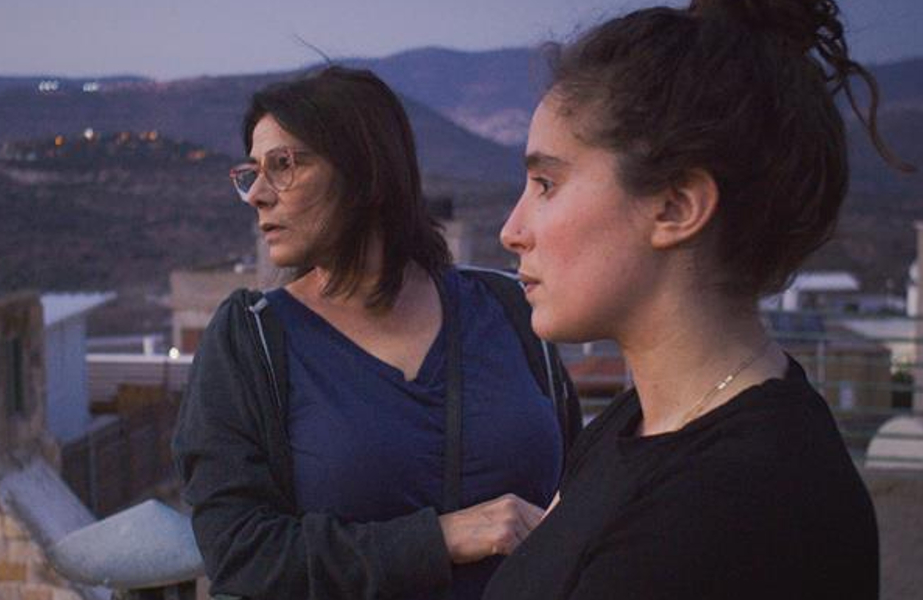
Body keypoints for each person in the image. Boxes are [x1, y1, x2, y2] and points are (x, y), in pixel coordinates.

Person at [483, 1, 913, 598]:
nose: (511, 229)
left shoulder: (732, 512)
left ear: (676, 207)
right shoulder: (638, 426)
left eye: (546, 184)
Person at [172, 66, 581, 600]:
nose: (258, 195)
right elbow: (240, 552)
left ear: (364, 172)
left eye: (283, 165)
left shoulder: (504, 308)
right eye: (252, 172)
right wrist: (440, 538)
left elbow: (580, 489)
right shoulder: (252, 341)